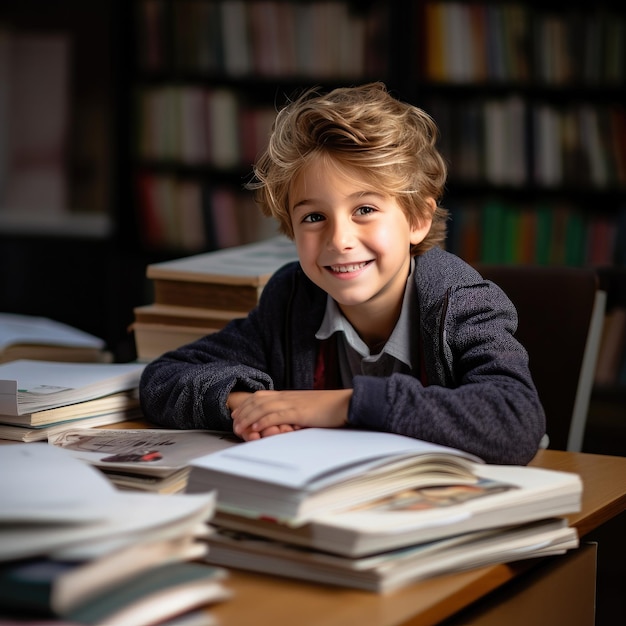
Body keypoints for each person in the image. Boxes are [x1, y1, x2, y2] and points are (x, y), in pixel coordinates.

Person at [139, 82, 546, 465]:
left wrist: (338, 404)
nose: (339, 239)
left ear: (418, 218)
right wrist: (251, 406)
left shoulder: (460, 302)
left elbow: (516, 420)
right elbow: (163, 378)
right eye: (314, 217)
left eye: (364, 210)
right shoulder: (292, 299)